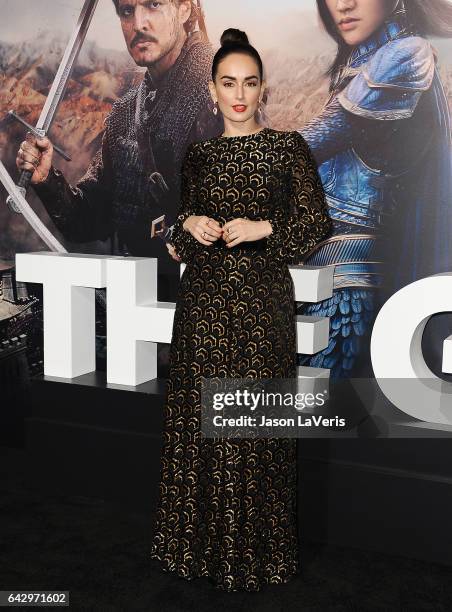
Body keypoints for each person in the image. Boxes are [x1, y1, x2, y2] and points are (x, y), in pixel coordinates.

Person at [149, 28, 332, 591]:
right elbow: (178, 235)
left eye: (249, 83)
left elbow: (316, 225)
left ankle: (254, 556)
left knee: (253, 430)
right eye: (228, 82)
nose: (238, 94)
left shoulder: (287, 149)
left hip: (259, 310)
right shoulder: (197, 156)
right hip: (202, 307)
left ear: (262, 89)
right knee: (197, 427)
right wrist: (188, 225)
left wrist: (263, 226)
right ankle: (195, 552)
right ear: (212, 89)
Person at [15, 0, 223, 305]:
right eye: (126, 11)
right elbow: (89, 219)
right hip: (138, 311)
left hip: (207, 313)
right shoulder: (126, 112)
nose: (138, 23)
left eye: (153, 4)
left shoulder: (224, 86)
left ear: (183, 9)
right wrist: (47, 180)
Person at [296, 0, 452, 379]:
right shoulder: (365, 57)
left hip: (350, 279)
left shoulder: (404, 53)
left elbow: (310, 145)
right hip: (323, 264)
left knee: (318, 417)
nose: (343, 4)